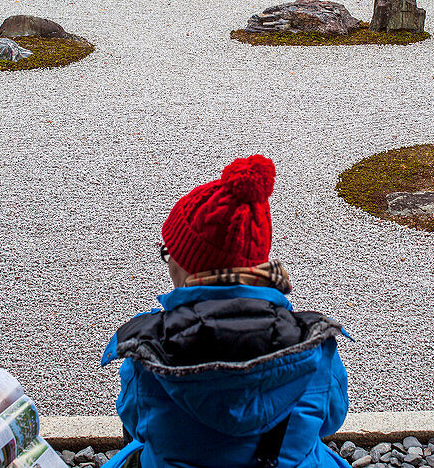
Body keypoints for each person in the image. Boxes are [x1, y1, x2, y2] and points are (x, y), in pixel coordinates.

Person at [100, 155, 350, 468]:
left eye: (169, 252)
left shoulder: (150, 351)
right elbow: (331, 418)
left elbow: (135, 420)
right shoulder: (314, 345)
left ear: (186, 264)